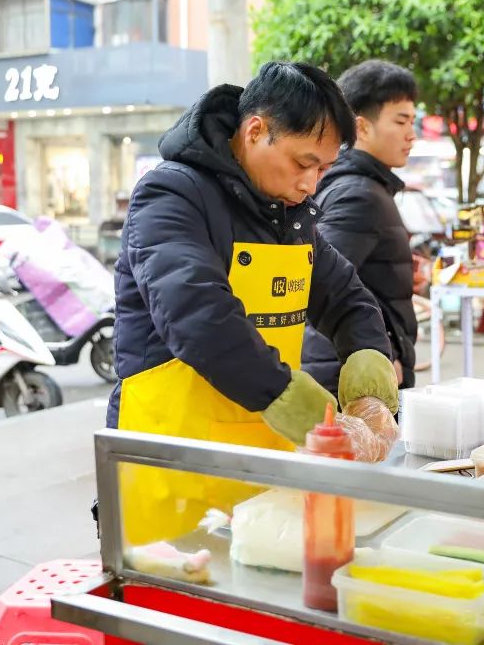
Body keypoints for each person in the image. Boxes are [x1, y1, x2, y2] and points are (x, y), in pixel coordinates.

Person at [109, 62, 401, 544]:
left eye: (323, 170)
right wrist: (303, 407)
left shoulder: (287, 215)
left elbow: (348, 298)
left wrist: (368, 382)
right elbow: (198, 316)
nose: (311, 184)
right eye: (303, 163)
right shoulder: (171, 194)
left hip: (262, 463)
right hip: (173, 457)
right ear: (255, 129)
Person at [302, 60, 419, 394]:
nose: (412, 134)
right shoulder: (359, 194)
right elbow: (321, 289)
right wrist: (380, 357)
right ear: (362, 128)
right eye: (400, 121)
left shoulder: (366, 187)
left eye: (413, 121)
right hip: (354, 380)